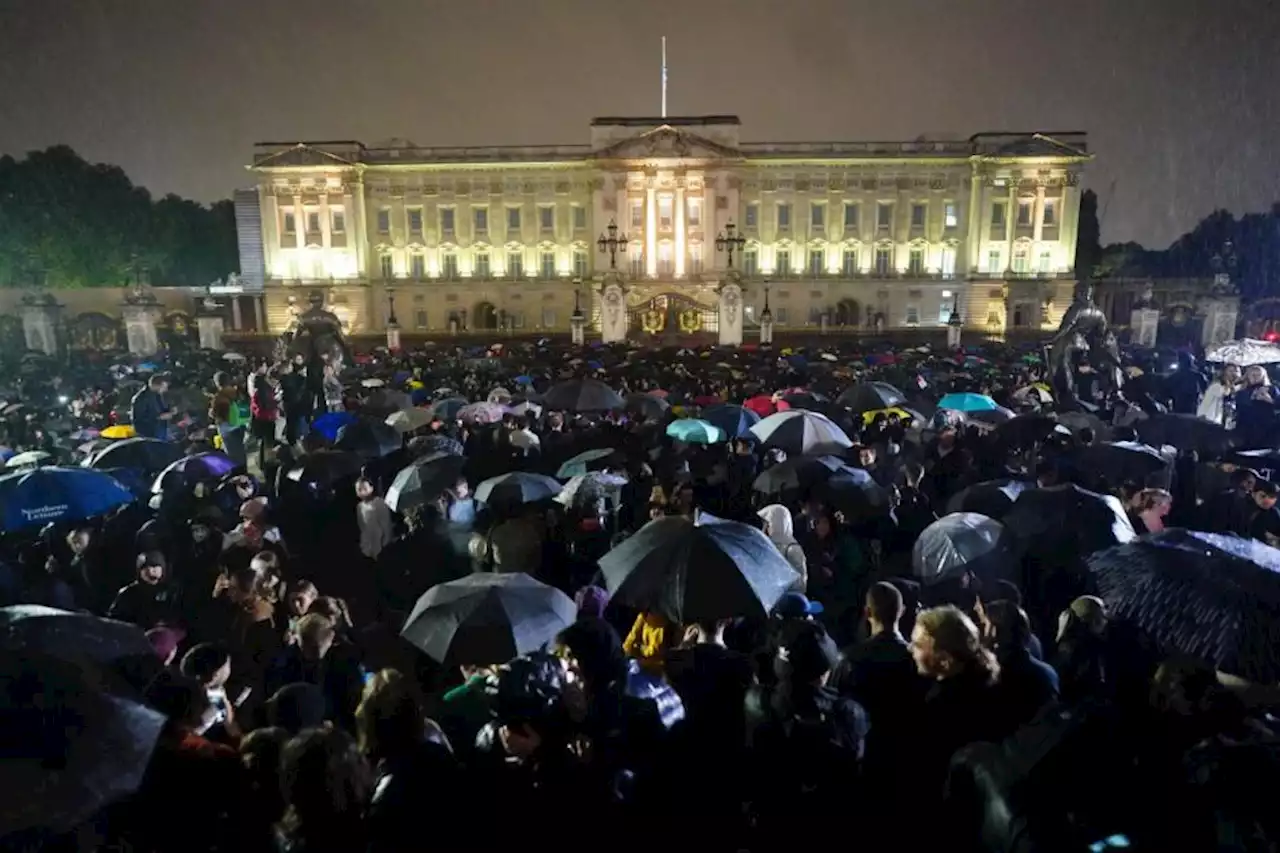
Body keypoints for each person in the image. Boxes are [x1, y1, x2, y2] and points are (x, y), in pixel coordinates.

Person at [107, 550, 179, 629]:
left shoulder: (171, 593)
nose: (150, 570)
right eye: (145, 567)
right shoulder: (128, 594)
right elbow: (114, 622)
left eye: (154, 566)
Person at [758, 503, 807, 591]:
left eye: (768, 524)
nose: (765, 528)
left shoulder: (792, 549)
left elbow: (800, 584)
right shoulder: (766, 546)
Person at [356, 476, 394, 561]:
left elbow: (386, 526)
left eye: (365, 488)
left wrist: (385, 545)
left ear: (371, 488)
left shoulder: (379, 503)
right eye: (359, 489)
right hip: (368, 549)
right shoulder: (359, 507)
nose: (362, 492)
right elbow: (362, 527)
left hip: (383, 547)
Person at [130, 373, 174, 441]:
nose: (166, 389)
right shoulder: (141, 398)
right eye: (164, 387)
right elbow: (139, 418)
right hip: (148, 433)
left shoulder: (157, 395)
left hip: (159, 430)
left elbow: (160, 410)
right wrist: (159, 417)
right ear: (156, 385)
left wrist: (169, 411)